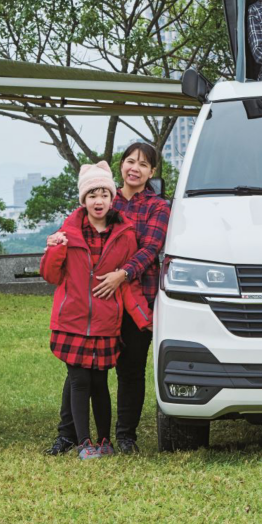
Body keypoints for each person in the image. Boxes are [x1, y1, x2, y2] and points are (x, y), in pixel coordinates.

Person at [45, 142, 171, 456]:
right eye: (130, 161)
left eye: (143, 164)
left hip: (138, 297)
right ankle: (68, 434)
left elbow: (150, 248)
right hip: (97, 302)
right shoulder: (104, 195)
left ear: (152, 172)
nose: (135, 168)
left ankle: (125, 436)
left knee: (131, 370)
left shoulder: (157, 206)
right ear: (120, 165)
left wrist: (122, 274)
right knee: (80, 368)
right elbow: (75, 228)